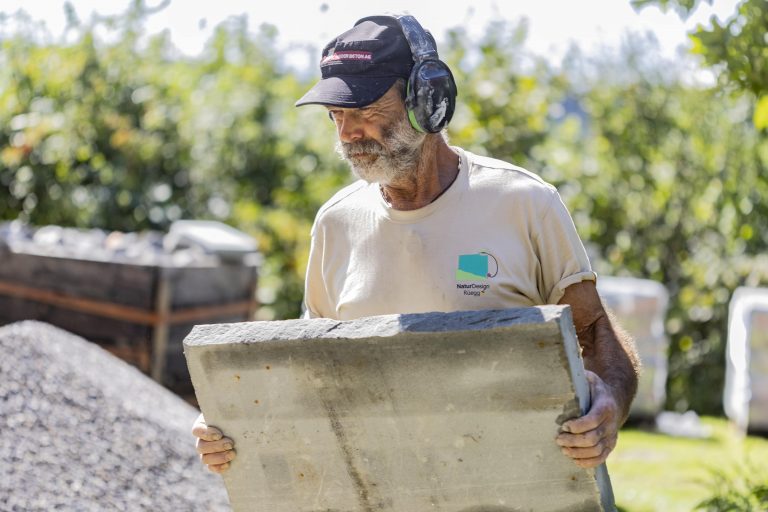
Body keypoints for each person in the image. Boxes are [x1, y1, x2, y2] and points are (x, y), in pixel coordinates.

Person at [193, 14, 640, 476]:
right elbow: (313, 370)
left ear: (427, 101)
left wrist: (610, 401)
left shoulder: (525, 202)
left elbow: (595, 334)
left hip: (515, 487)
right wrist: (235, 422)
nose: (347, 134)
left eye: (365, 111)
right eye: (337, 115)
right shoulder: (336, 223)